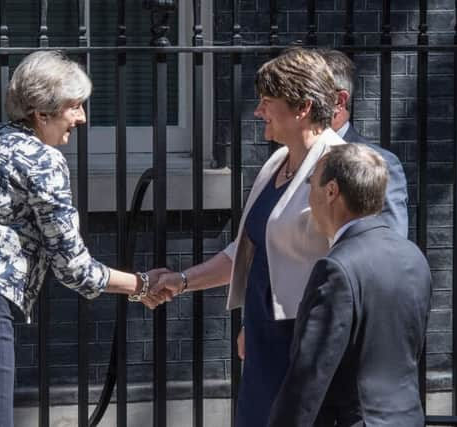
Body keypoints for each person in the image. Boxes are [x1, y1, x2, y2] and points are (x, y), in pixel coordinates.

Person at [0, 51, 167, 427]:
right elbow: (72, 266)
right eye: (74, 107)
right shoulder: (41, 159)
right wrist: (141, 285)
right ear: (41, 113)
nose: (81, 118)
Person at [153, 47, 383, 426]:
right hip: (264, 338)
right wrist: (181, 281)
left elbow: (360, 260)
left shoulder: (341, 165)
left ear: (303, 107)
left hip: (304, 343)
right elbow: (247, 251)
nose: (258, 111)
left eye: (266, 101)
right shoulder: (276, 161)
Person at [268, 144, 431, 427]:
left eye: (311, 184)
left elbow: (310, 374)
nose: (310, 195)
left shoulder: (336, 268)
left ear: (331, 191)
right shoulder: (413, 256)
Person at [319, 48, 409, 237]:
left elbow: (392, 241)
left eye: (309, 95)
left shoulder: (380, 162)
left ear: (339, 101)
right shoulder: (286, 160)